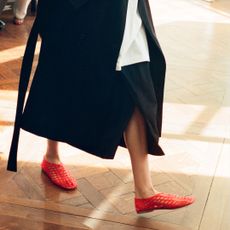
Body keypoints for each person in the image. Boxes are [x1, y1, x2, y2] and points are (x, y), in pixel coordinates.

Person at [7, 0, 195, 213]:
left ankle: (145, 191)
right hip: (84, 12)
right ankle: (51, 156)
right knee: (61, 74)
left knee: (136, 88)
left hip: (127, 12)